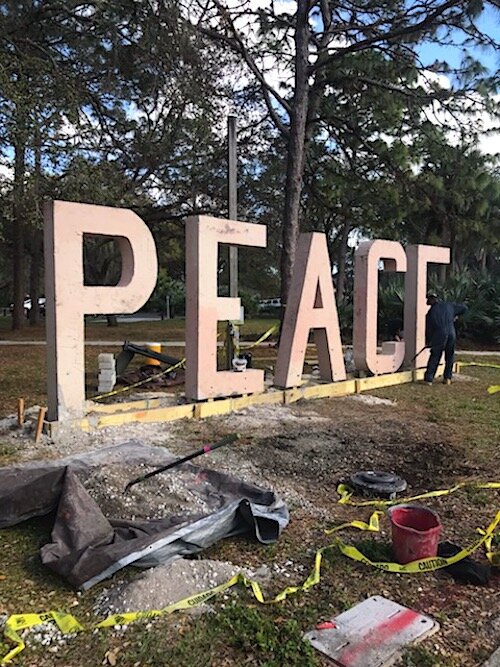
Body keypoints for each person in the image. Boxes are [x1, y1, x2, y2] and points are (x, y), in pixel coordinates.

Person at [424, 292, 467, 385]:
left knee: (435, 355)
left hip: (439, 335)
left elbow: (429, 330)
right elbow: (464, 308)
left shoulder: (430, 313)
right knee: (449, 356)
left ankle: (429, 379)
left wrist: (428, 341)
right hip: (451, 333)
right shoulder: (449, 306)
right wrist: (454, 316)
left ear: (430, 301)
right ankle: (447, 378)